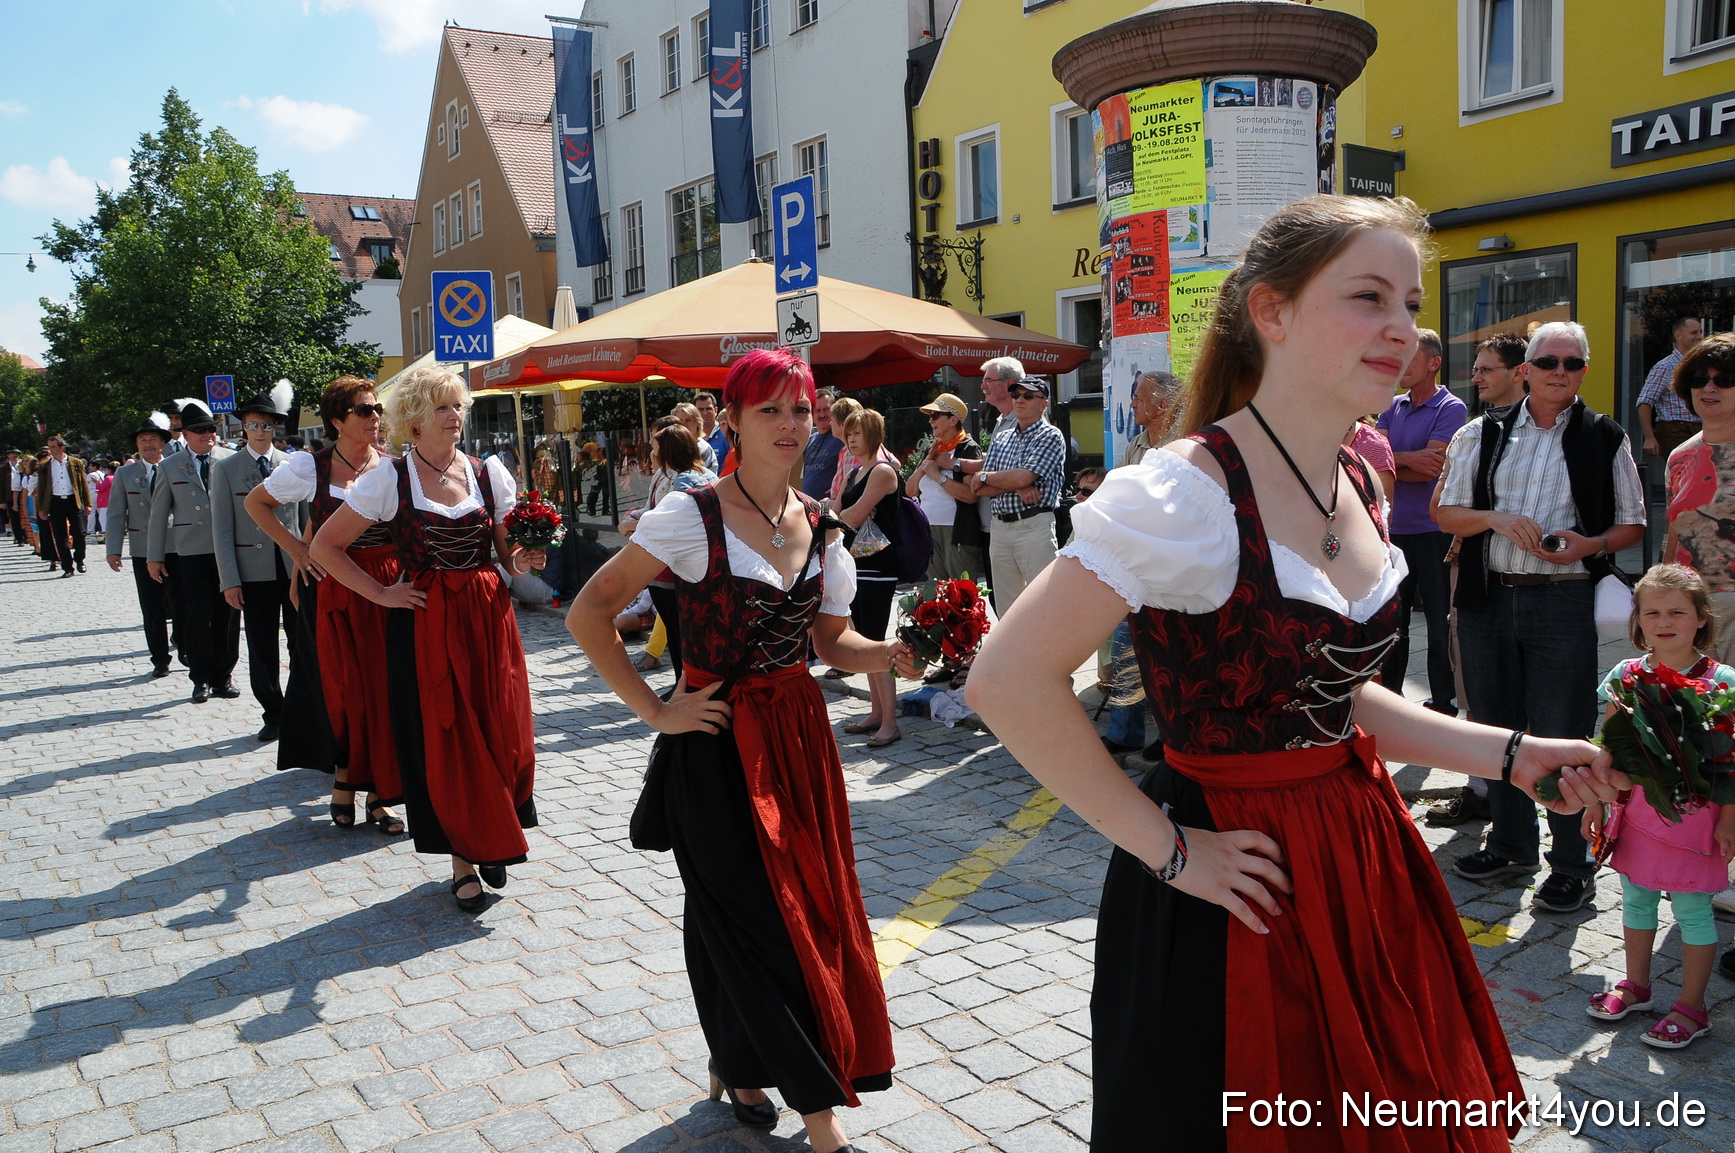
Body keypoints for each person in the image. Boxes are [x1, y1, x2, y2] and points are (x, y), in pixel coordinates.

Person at [965, 195, 1627, 1149]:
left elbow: (1339, 695)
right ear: (1270, 313)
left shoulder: (1355, 474)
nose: (1400, 328)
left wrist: (1511, 751)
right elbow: (1004, 682)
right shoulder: (1181, 490)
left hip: (1358, 850)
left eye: (1407, 301)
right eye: (1368, 297)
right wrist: (1171, 852)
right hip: (1236, 878)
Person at [566, 348, 912, 1153]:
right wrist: (656, 707)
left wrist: (890, 654)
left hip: (797, 742)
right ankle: (821, 1119)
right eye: (772, 411)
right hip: (715, 745)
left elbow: (831, 641)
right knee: (759, 915)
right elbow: (592, 609)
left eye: (802, 410)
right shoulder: (689, 516)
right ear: (732, 421)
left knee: (776, 911)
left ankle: (736, 1060)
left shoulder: (822, 524)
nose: (792, 426)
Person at [311, 366, 539, 913]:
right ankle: (464, 859)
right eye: (442, 407)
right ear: (414, 420)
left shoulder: (487, 474)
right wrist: (381, 594)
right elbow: (325, 547)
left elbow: (507, 553)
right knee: (448, 737)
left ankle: (492, 831)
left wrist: (524, 559)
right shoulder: (389, 479)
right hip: (428, 624)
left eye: (458, 406)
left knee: (502, 730)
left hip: (488, 618)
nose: (454, 417)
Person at [1438, 319, 1647, 913]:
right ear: (1525, 369)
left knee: (1563, 730)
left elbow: (1633, 522)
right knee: (1495, 727)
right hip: (1488, 594)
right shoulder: (1482, 432)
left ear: (1584, 370)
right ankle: (1510, 845)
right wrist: (1495, 519)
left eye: (1573, 363)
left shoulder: (1602, 435)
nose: (1561, 372)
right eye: (1550, 362)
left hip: (1564, 596)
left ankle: (1571, 862)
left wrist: (1589, 544)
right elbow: (1449, 513)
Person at [1583, 564, 1735, 1049]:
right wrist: (1597, 803)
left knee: (1692, 908)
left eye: (1676, 612)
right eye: (1652, 612)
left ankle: (1692, 1007)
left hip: (1696, 819)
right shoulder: (1625, 676)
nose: (1663, 621)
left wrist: (1730, 819)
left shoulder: (1722, 681)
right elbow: (1608, 746)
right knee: (1637, 898)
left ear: (1700, 619)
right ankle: (1637, 985)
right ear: (1638, 620)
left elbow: (1731, 761)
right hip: (1637, 815)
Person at [249, 378, 404, 833]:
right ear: (337, 421)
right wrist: (298, 552)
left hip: (387, 587)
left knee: (385, 689)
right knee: (343, 691)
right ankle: (349, 779)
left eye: (377, 409)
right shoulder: (309, 467)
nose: (375, 418)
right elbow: (257, 504)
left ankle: (375, 791)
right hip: (334, 590)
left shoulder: (394, 468)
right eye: (363, 411)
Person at [1423, 332, 1531, 828]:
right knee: (1473, 686)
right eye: (1478, 368)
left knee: (1524, 693)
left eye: (1488, 368)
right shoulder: (1471, 433)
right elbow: (1440, 508)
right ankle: (1481, 790)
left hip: (1533, 581)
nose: (1477, 377)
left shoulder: (1546, 433)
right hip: (1471, 573)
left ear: (1519, 372)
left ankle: (1524, 793)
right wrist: (1490, 517)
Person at [1376, 328, 1468, 710]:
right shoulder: (1389, 405)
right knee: (1392, 625)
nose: (1402, 366)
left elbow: (1434, 467)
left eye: (1411, 358)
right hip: (1392, 532)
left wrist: (1393, 460)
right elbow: (1368, 461)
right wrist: (1408, 460)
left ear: (1434, 363)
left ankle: (1443, 702)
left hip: (1433, 531)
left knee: (1438, 621)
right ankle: (1391, 700)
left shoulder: (1451, 408)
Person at [212, 388, 300, 743]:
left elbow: (306, 519)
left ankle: (299, 707)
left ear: (276, 427)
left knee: (301, 641)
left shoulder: (293, 464)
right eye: (253, 425)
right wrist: (229, 580)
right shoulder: (226, 468)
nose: (261, 431)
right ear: (243, 428)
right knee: (262, 645)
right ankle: (273, 712)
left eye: (267, 424)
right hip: (253, 570)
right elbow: (222, 527)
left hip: (294, 566)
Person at [148, 401, 241, 705]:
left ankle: (223, 676)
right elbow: (159, 514)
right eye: (200, 430)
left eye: (211, 428)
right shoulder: (169, 466)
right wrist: (154, 556)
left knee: (228, 615)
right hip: (190, 551)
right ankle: (200, 677)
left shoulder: (231, 459)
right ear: (185, 433)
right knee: (197, 615)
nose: (208, 434)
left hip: (227, 549)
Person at [620, 422, 718, 675]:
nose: (652, 454)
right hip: (683, 563)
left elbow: (673, 520)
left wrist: (636, 522)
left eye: (655, 448)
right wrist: (636, 515)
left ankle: (682, 686)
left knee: (679, 633)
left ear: (668, 450)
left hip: (673, 564)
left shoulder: (684, 478)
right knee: (680, 632)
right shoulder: (694, 474)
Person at [1662, 332, 1735, 662]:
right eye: (1699, 379)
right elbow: (1675, 535)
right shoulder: (1680, 456)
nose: (1709, 388)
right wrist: (1661, 598)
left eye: (1725, 379)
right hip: (1690, 612)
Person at [837, 407, 905, 748]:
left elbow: (850, 515)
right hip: (854, 563)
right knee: (865, 640)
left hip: (877, 565)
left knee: (878, 643)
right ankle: (877, 712)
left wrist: (833, 515)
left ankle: (890, 722)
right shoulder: (854, 472)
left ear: (873, 435)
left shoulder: (882, 471)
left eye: (858, 433)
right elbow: (835, 509)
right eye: (849, 432)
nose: (851, 439)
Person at [968, 378, 1066, 613]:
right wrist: (1013, 484)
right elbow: (978, 487)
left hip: (1034, 525)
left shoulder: (1050, 435)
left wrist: (989, 477)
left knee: (1044, 605)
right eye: (1016, 395)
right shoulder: (1001, 437)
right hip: (1000, 529)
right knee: (1006, 608)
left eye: (1028, 396)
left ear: (1044, 404)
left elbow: (1021, 478)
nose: (1020, 400)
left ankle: (1046, 651)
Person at [106, 414, 175, 678]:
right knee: (152, 606)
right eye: (143, 440)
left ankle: (184, 642)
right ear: (137, 445)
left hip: (176, 546)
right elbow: (115, 514)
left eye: (152, 439)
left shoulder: (174, 467)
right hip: (142, 548)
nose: (148, 444)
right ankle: (160, 658)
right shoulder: (125, 474)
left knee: (181, 601)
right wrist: (113, 549)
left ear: (162, 443)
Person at [904, 393, 983, 583]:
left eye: (935, 416)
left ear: (953, 419)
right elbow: (910, 490)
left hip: (957, 531)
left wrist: (936, 475)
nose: (930, 421)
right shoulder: (933, 448)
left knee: (961, 595)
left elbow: (971, 496)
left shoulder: (969, 448)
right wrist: (927, 464)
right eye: (930, 416)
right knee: (935, 595)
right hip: (928, 528)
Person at [1639, 316, 1705, 461]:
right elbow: (1644, 402)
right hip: (1674, 429)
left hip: (1700, 427)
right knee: (1682, 474)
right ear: (1678, 335)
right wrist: (1649, 437)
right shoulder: (1665, 366)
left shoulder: (1700, 366)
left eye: (1700, 332)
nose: (1699, 337)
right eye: (1694, 333)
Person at [41, 435, 90, 577]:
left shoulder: (75, 462)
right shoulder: (45, 465)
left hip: (73, 501)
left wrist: (88, 503)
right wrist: (42, 509)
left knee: (79, 533)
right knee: (60, 536)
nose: (50, 450)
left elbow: (83, 484)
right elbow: (42, 487)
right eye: (49, 447)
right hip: (55, 502)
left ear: (62, 447)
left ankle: (79, 559)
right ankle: (67, 567)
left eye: (53, 447)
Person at [1118, 370, 1183, 469]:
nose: (1132, 405)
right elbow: (1118, 481)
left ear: (1161, 406)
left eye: (1138, 398)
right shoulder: (1136, 444)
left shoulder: (1182, 444)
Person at [803, 387, 843, 499]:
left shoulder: (842, 437)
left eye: (826, 409)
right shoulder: (809, 441)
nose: (822, 415)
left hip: (832, 507)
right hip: (809, 507)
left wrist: (842, 490)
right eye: (817, 410)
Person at [672, 402, 720, 472]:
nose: (684, 424)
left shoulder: (702, 448)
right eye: (680, 421)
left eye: (688, 420)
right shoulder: (671, 447)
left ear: (698, 423)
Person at [694, 390, 731, 467]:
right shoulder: (691, 437)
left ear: (716, 410)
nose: (705, 413)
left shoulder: (726, 433)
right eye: (701, 409)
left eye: (708, 409)